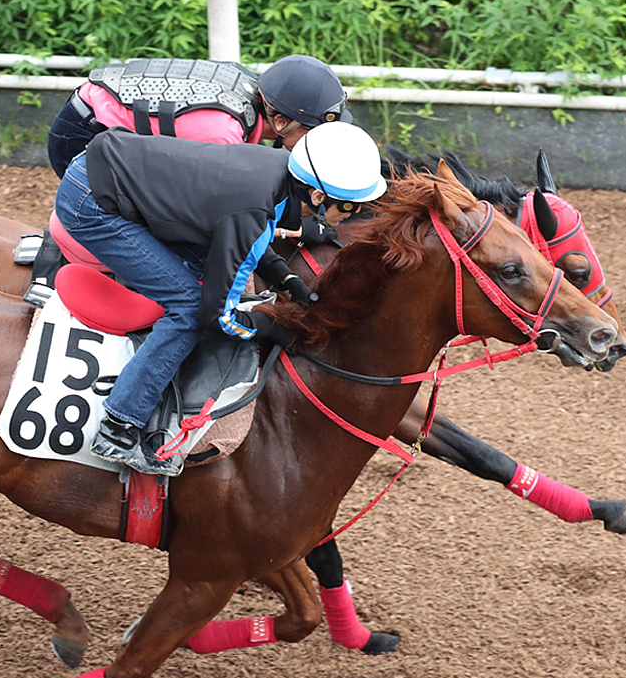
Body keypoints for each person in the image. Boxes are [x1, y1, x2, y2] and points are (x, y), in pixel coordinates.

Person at [54, 121, 387, 476]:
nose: (349, 216)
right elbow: (216, 316)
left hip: (113, 174)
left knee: (202, 281)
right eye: (351, 208)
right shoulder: (254, 207)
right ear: (317, 197)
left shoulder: (280, 174)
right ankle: (118, 428)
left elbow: (250, 238)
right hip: (90, 203)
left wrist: (286, 278)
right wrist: (268, 327)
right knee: (187, 307)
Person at [46, 54, 352, 177]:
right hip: (82, 135)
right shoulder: (223, 131)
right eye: (314, 133)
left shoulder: (245, 87)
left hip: (91, 109)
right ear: (282, 121)